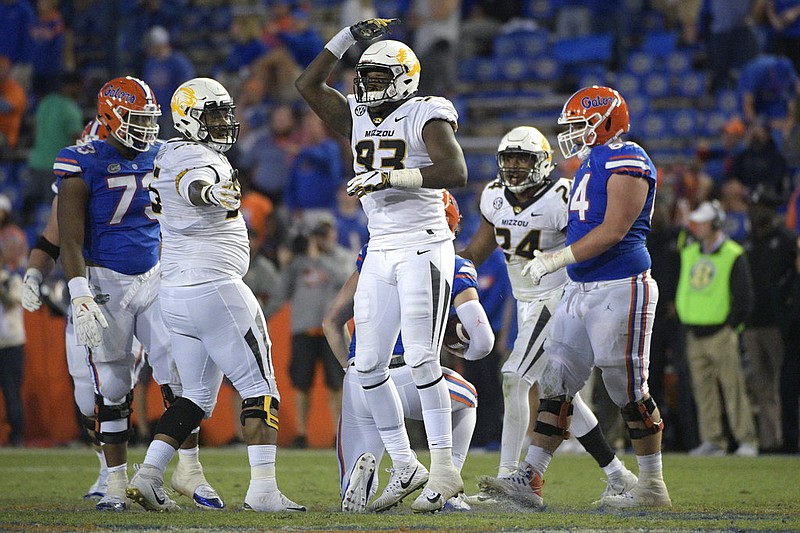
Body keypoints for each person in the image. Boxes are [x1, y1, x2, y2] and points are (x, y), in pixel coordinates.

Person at [295, 18, 469, 512]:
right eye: (364, 77)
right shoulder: (357, 116)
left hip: (424, 244)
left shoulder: (424, 112)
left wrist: (392, 177)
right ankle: (404, 462)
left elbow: (455, 170)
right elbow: (307, 84)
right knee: (365, 365)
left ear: (405, 77)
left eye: (376, 77)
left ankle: (443, 469)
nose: (366, 86)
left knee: (419, 358)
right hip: (381, 248)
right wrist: (347, 38)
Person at [126, 77, 304, 513]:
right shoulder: (196, 158)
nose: (224, 121)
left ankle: (149, 475)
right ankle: (263, 490)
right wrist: (209, 191)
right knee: (261, 387)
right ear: (189, 118)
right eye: (213, 114)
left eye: (226, 112)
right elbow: (195, 182)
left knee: (195, 397)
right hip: (215, 289)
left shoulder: (166, 151)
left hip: (176, 294)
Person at [491, 86, 670, 508]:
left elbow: (614, 230)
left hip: (621, 284)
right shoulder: (591, 161)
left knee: (627, 389)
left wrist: (555, 259)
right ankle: (529, 479)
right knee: (554, 382)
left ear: (605, 120)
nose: (571, 132)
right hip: (580, 288)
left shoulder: (629, 157)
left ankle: (650, 485)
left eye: (579, 124)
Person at [56, 77, 220, 511]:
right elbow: (69, 238)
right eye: (136, 119)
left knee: (181, 373)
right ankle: (114, 483)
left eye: (151, 119)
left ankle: (189, 469)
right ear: (109, 118)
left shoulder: (165, 153)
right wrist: (79, 293)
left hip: (154, 275)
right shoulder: (81, 160)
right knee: (111, 385)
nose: (147, 129)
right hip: (103, 280)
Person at [458, 126, 636, 504]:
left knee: (513, 378)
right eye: (510, 159)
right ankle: (618, 474)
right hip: (526, 303)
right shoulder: (493, 197)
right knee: (561, 396)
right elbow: (477, 250)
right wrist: (445, 267)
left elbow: (585, 245)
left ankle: (507, 480)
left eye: (524, 159)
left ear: (543, 163)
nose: (516, 167)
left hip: (557, 297)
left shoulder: (561, 197)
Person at [324, 190, 493, 512]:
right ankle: (446, 485)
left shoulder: (373, 253)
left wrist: (352, 371)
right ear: (451, 227)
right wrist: (457, 345)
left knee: (353, 481)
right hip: (405, 379)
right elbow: (481, 339)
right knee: (468, 396)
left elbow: (331, 322)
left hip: (360, 378)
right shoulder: (452, 263)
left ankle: (368, 478)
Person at [677, 200, 759, 457]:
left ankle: (746, 440)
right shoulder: (690, 251)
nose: (696, 227)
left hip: (721, 333)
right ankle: (712, 440)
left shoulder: (733, 253)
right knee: (704, 393)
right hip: (695, 332)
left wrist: (732, 328)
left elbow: (745, 297)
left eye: (702, 222)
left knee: (733, 390)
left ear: (716, 224)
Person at [0, 194, 27, 447]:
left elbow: (12, 300)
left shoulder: (12, 276)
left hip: (10, 339)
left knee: (11, 391)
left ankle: (17, 434)